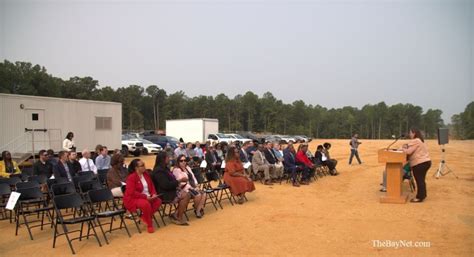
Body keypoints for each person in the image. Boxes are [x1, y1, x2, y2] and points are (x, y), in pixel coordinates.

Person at [151, 152, 191, 226]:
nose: (169, 159)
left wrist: (178, 185)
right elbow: (165, 185)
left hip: (170, 190)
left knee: (187, 193)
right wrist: (179, 181)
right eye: (167, 157)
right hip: (164, 194)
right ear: (163, 159)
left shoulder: (165, 168)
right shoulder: (158, 171)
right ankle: (179, 217)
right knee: (186, 195)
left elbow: (171, 181)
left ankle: (175, 215)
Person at [123, 159, 161, 233]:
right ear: (136, 168)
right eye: (142, 165)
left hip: (147, 196)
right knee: (145, 204)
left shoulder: (146, 175)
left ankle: (143, 218)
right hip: (133, 198)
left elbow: (152, 186)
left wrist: (154, 194)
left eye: (144, 164)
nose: (144, 167)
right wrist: (145, 197)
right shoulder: (131, 177)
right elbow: (132, 192)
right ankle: (149, 224)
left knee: (158, 201)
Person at [401, 128, 432, 203]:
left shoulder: (416, 140)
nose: (409, 134)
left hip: (420, 163)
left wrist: (402, 149)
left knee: (419, 180)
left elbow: (408, 151)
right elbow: (409, 148)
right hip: (425, 162)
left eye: (410, 133)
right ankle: (423, 195)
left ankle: (419, 197)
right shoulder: (419, 140)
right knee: (421, 180)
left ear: (414, 133)